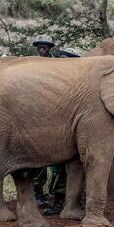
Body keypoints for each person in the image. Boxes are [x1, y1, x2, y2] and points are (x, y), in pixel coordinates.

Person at [42, 47, 82, 215]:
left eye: (66, 58)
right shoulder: (54, 81)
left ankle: (75, 203)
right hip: (58, 133)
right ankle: (59, 202)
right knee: (59, 171)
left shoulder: (79, 81)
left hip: (76, 133)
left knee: (77, 170)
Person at [31, 34, 56, 208]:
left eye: (45, 46)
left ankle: (57, 193)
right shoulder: (30, 64)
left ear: (50, 48)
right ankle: (37, 193)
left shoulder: (59, 64)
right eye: (39, 46)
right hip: (35, 115)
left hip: (55, 114)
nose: (42, 49)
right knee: (36, 155)